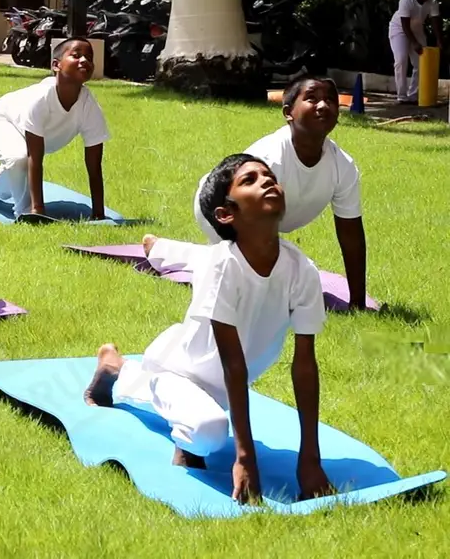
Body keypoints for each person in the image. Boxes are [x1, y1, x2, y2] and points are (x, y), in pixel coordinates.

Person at [84, 154, 332, 504]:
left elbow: (305, 365)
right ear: (225, 215)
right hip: (180, 368)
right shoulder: (221, 264)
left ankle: (118, 364)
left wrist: (310, 460)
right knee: (206, 431)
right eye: (249, 180)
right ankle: (122, 373)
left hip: (224, 384)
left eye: (269, 176)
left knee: (204, 412)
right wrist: (244, 457)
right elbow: (233, 362)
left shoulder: (302, 270)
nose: (266, 181)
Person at [145, 76, 368, 309]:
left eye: (330, 100)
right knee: (266, 281)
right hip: (220, 210)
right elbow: (244, 219)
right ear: (288, 112)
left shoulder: (343, 167)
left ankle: (180, 250)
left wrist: (358, 303)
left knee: (290, 276)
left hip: (262, 222)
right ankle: (168, 251)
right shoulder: (270, 159)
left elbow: (351, 235)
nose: (323, 105)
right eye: (312, 99)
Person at [0, 38, 109, 219]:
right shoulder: (40, 99)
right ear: (56, 65)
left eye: (89, 57)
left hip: (38, 138)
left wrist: (98, 213)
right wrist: (37, 210)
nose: (84, 61)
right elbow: (35, 157)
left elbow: (94, 165)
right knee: (19, 159)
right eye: (76, 55)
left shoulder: (90, 107)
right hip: (5, 121)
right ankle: (22, 211)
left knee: (11, 179)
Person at [388, 0, 443, 104]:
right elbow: (405, 25)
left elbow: (435, 21)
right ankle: (402, 96)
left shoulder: (432, 1)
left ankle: (413, 95)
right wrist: (414, 42)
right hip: (399, 29)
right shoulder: (406, 0)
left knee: (421, 62)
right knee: (401, 60)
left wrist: (439, 39)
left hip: (417, 30)